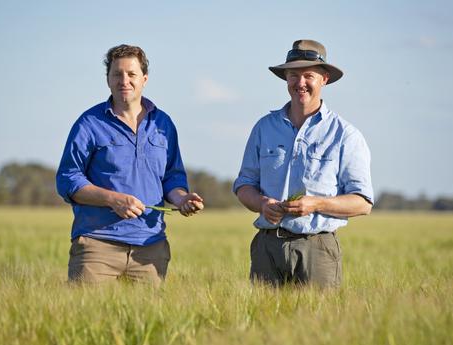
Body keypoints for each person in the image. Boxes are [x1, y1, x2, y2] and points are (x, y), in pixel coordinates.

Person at [56, 44, 204, 285]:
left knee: (149, 322)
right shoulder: (89, 123)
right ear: (108, 79)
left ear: (144, 79)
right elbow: (68, 179)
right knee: (89, 320)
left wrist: (182, 199)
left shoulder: (163, 124)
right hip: (97, 246)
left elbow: (172, 177)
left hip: (150, 248)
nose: (124, 80)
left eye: (131, 74)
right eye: (117, 74)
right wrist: (113, 199)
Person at [233, 40, 373, 288]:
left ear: (324, 79)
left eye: (309, 75)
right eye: (293, 75)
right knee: (261, 324)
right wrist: (262, 204)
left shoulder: (345, 135)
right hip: (267, 247)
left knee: (318, 325)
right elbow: (244, 185)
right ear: (285, 79)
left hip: (317, 249)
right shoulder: (264, 128)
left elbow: (363, 203)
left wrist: (317, 203)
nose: (300, 83)